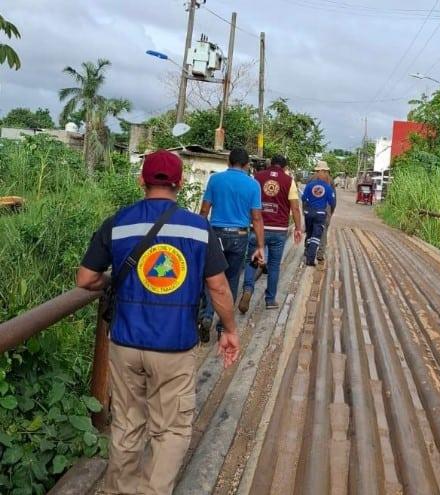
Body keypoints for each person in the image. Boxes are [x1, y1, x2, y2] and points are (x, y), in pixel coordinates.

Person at [76, 150, 240, 495]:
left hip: (125, 344)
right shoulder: (198, 228)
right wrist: (229, 330)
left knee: (126, 424)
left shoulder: (119, 222)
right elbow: (219, 287)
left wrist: (111, 281)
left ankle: (118, 489)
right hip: (174, 347)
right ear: (179, 184)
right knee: (172, 430)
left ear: (142, 180)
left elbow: (85, 279)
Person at [199, 147, 265, 340]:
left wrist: (200, 234)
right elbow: (257, 218)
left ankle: (206, 315)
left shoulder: (215, 180)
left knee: (211, 275)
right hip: (239, 236)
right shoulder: (253, 185)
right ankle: (222, 326)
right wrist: (260, 246)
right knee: (232, 278)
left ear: (228, 162)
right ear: (246, 165)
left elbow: (204, 211)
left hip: (215, 234)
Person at [238, 155, 303, 313]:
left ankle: (247, 289)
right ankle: (270, 300)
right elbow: (294, 207)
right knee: (274, 266)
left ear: (270, 164)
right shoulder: (289, 181)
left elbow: (248, 201)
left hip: (258, 227)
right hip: (279, 230)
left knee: (252, 260)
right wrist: (298, 228)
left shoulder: (257, 178)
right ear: (285, 167)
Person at [301, 161, 337, 266]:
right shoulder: (330, 180)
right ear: (325, 170)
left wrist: (305, 210)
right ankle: (320, 254)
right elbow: (333, 199)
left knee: (310, 231)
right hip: (324, 209)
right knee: (323, 231)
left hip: (310, 209)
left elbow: (304, 197)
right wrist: (332, 211)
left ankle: (307, 251)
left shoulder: (310, 179)